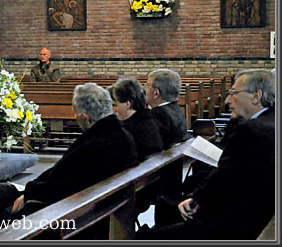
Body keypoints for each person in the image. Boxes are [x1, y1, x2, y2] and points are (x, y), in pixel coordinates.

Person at [0, 83, 139, 240]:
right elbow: (64, 174)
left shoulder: (95, 145)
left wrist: (28, 194)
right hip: (91, 203)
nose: (75, 118)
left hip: (66, 212)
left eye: (75, 113)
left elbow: (59, 184)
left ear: (85, 117)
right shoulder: (120, 135)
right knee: (0, 191)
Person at [139, 68, 275, 240]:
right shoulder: (271, 121)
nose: (227, 99)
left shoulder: (250, 129)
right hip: (257, 212)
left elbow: (225, 177)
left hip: (238, 221)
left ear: (256, 96)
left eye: (233, 93)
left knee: (153, 237)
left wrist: (196, 200)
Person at [108, 78, 163, 161]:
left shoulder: (128, 130)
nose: (114, 110)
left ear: (127, 104)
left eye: (115, 105)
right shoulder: (147, 119)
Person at [145, 69, 189, 149]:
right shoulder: (175, 109)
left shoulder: (158, 114)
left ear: (156, 93)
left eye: (147, 86)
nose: (145, 89)